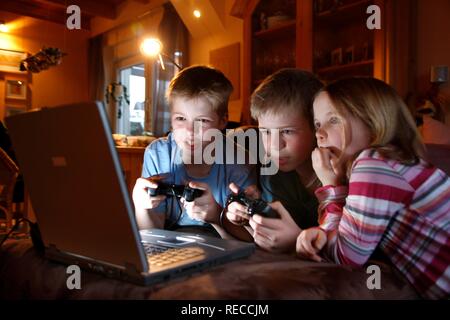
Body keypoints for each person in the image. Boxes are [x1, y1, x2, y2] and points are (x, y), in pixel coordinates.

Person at [296, 77, 450, 299]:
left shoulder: (373, 164)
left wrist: (330, 186)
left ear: (374, 122)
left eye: (334, 120)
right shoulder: (392, 162)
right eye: (318, 124)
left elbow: (346, 257)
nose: (319, 134)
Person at [132, 65, 256, 238]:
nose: (190, 131)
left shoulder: (240, 162)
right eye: (181, 118)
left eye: (203, 121)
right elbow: (152, 235)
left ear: (222, 121)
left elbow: (247, 241)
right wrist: (141, 206)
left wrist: (216, 216)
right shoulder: (158, 154)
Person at [225, 69, 323, 252]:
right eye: (266, 132)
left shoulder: (345, 178)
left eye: (287, 131)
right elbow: (274, 238)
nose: (275, 145)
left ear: (317, 128)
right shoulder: (272, 175)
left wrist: (296, 242)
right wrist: (250, 218)